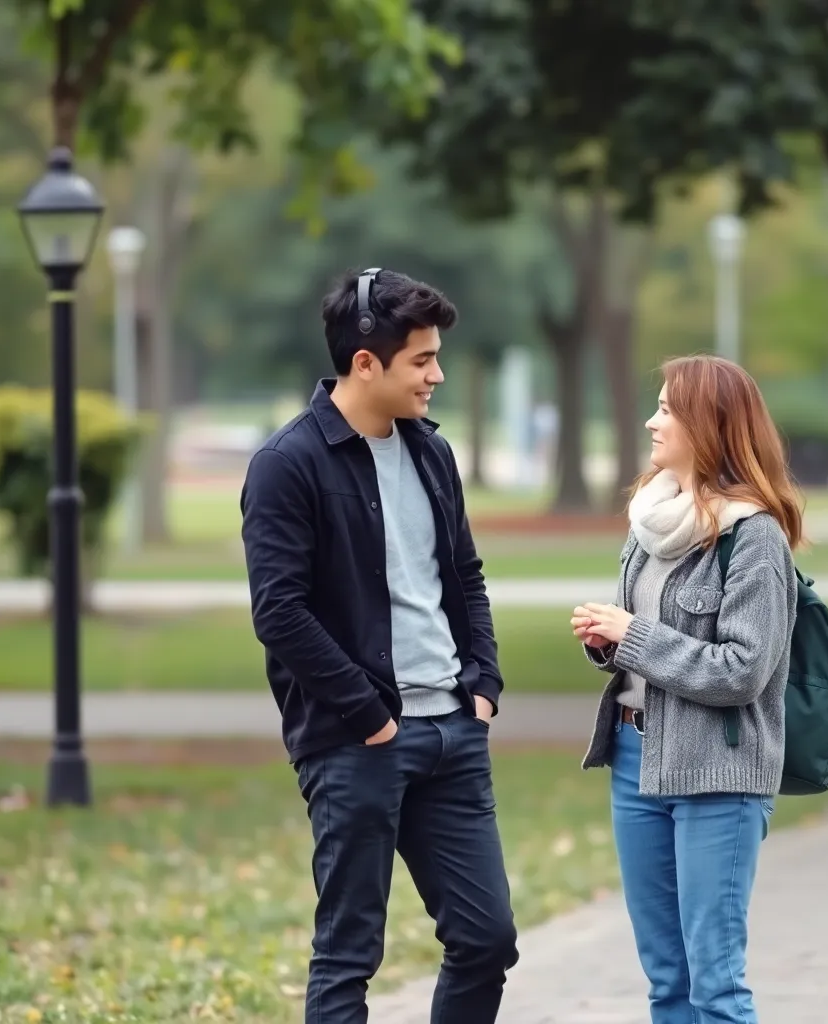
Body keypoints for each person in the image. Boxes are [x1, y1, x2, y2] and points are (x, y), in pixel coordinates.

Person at [240, 268, 518, 1024]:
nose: (437, 374)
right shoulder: (286, 464)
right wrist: (370, 716)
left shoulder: (431, 453)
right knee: (349, 955)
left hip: (454, 734)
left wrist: (483, 681)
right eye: (421, 360)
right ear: (366, 363)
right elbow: (281, 612)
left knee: (487, 938)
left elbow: (463, 575)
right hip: (357, 741)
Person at [571, 354, 802, 1024]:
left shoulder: (753, 537)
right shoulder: (651, 524)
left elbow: (742, 670)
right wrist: (608, 643)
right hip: (635, 764)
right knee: (667, 981)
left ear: (709, 424)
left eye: (667, 409)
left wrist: (635, 634)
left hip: (718, 774)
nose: (652, 420)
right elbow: (649, 650)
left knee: (714, 985)